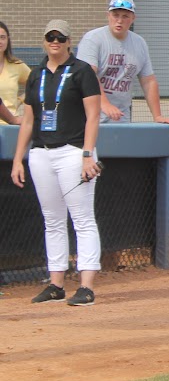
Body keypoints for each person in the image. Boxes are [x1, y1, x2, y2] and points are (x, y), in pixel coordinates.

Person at [9, 20, 104, 307]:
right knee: (52, 220)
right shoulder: (36, 74)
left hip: (73, 152)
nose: (55, 42)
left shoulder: (81, 71)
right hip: (41, 152)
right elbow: (28, 120)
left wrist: (87, 154)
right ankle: (56, 283)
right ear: (44, 40)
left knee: (82, 218)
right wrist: (18, 159)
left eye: (60, 38)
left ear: (68, 41)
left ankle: (86, 287)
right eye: (50, 37)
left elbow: (93, 115)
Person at [77, 0, 169, 128]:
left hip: (120, 117)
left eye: (125, 16)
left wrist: (157, 116)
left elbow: (148, 81)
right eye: (115, 15)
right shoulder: (93, 39)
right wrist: (105, 104)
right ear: (108, 15)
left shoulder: (139, 43)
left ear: (133, 18)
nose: (119, 21)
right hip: (89, 117)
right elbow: (88, 76)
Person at [0, 20, 33, 120]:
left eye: (2, 37)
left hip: (10, 124)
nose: (0, 41)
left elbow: (36, 82)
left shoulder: (17, 65)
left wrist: (20, 100)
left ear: (8, 40)